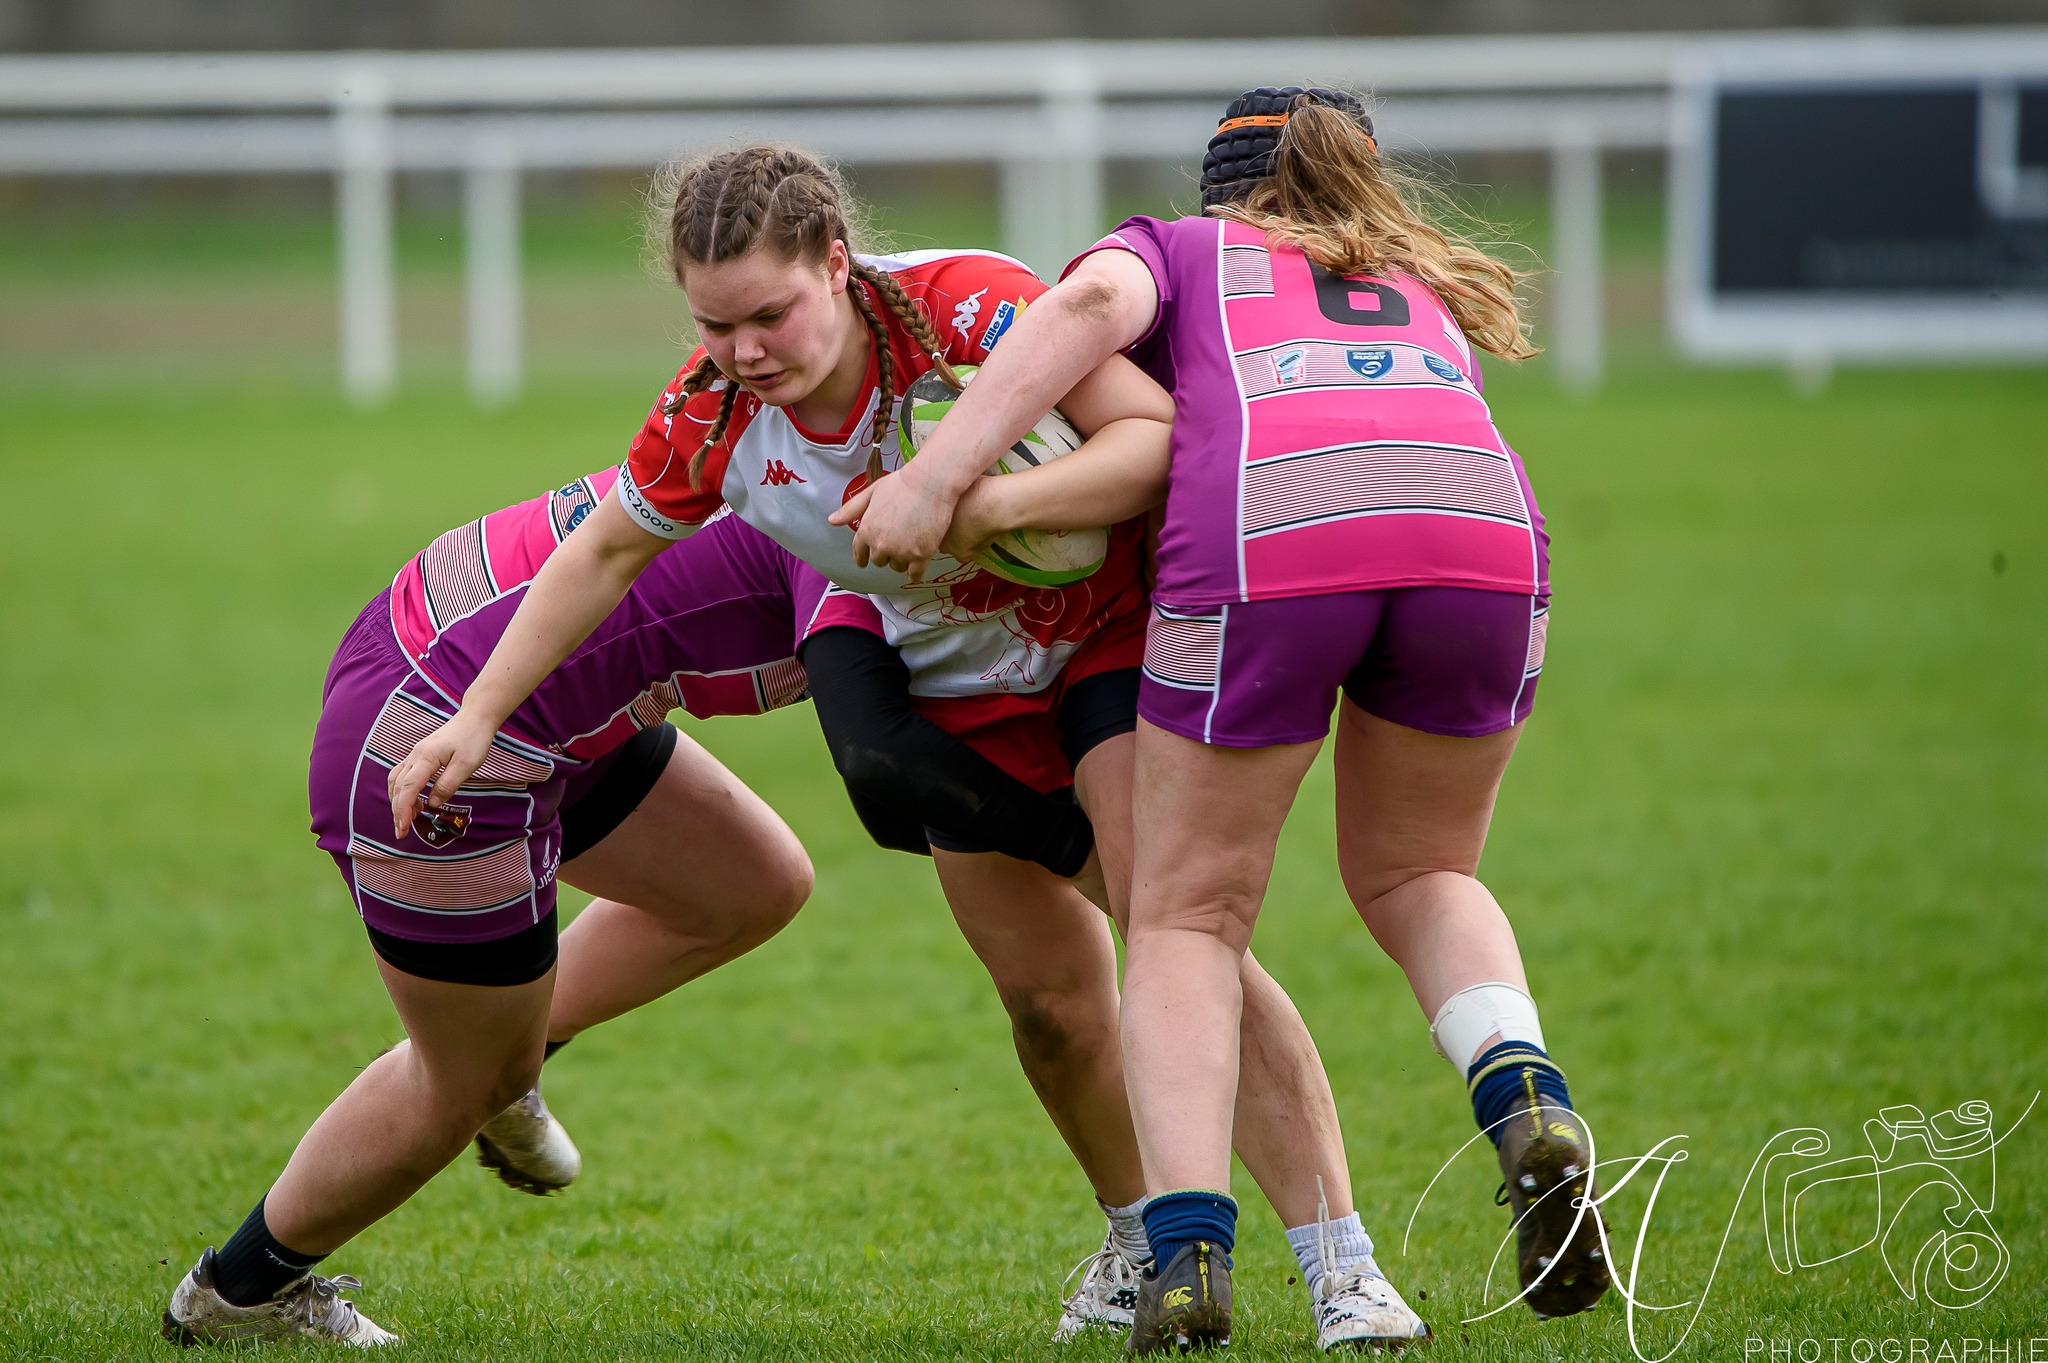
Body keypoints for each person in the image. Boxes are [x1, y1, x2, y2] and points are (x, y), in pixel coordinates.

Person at [388, 144, 1429, 1349]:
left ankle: (1341, 1265)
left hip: (1098, 639)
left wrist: (975, 500)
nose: (746, 351)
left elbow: (1151, 441)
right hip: (952, 694)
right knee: (1044, 1000)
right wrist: (476, 718)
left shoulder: (955, 306)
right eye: (713, 324)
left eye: (770, 313)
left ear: (835, 263)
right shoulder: (714, 409)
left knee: (1169, 934)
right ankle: (1140, 1237)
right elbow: (602, 554)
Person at [845, 88, 1610, 1349]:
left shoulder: (1178, 249)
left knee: (1187, 913)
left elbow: (1087, 309)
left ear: (1220, 192)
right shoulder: (1415, 289)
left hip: (1276, 529)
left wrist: (940, 474)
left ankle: (1190, 1255)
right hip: (1483, 534)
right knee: (1423, 869)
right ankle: (1524, 1096)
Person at [160, 468, 1096, 1346]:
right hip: (438, 730)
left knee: (750, 882)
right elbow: (882, 772)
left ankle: (517, 1059)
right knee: (462, 1078)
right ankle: (238, 1292)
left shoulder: (834, 438)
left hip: (500, 673)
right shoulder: (867, 514)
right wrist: (1087, 854)